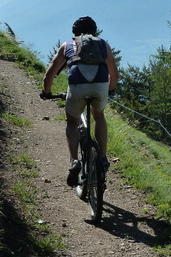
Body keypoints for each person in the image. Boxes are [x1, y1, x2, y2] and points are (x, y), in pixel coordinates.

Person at [40, 16, 118, 187]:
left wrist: (47, 92)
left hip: (77, 86)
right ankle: (103, 159)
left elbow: (49, 74)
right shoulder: (103, 44)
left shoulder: (68, 45)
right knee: (99, 116)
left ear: (75, 32)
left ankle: (75, 161)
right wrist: (110, 89)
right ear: (94, 30)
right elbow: (114, 72)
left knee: (72, 122)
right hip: (100, 86)